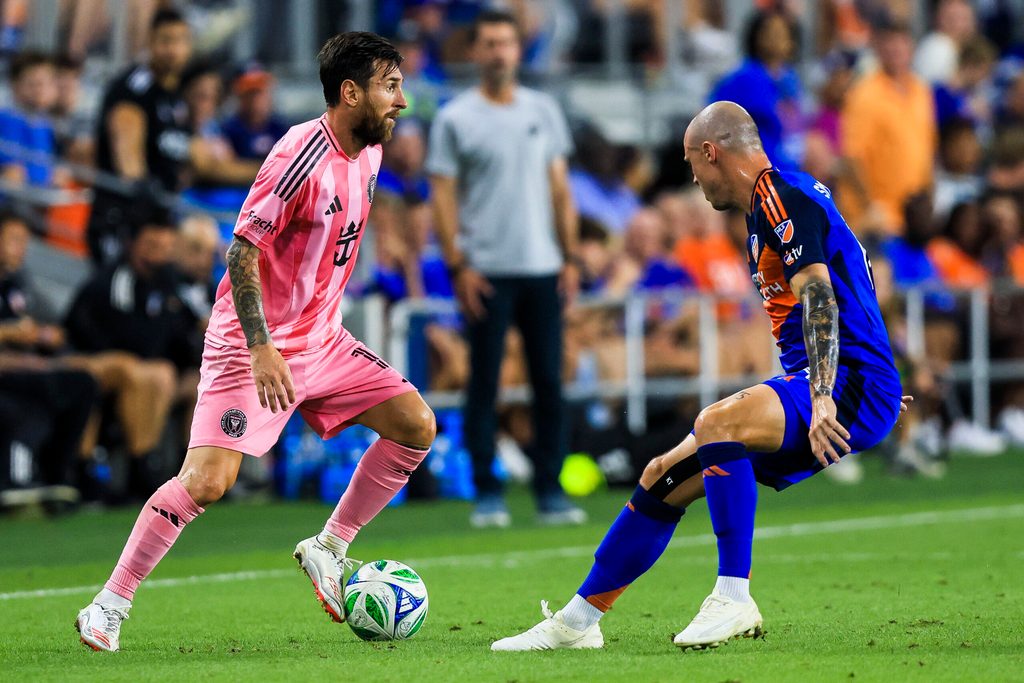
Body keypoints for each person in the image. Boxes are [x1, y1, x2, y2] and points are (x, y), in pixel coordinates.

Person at [491, 102, 911, 652]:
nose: (694, 179)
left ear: (711, 152)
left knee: (718, 422)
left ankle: (734, 595)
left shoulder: (779, 196)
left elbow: (819, 294)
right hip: (850, 381)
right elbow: (857, 274)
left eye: (692, 165)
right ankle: (576, 623)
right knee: (660, 476)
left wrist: (832, 393)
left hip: (840, 384)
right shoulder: (778, 204)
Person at [75, 31, 435, 654]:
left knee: (415, 424)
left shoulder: (372, 151)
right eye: (390, 86)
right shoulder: (300, 154)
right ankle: (109, 603)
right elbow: (242, 251)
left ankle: (329, 548)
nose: (401, 101)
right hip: (253, 345)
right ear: (350, 93)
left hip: (323, 341)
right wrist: (262, 346)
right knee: (208, 481)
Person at [427, 9, 583, 528]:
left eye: (506, 43)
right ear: (475, 52)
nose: (498, 52)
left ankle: (549, 489)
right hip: (486, 269)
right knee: (484, 384)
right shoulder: (456, 117)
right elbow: (443, 195)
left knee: (548, 382)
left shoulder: (543, 109)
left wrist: (571, 257)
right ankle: (487, 490)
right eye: (489, 43)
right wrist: (457, 264)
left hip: (542, 266)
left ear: (519, 50)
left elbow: (560, 190)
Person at [88, 8, 192, 266]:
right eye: (166, 40)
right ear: (150, 42)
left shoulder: (176, 96)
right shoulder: (134, 88)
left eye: (180, 41)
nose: (173, 49)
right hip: (123, 219)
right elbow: (127, 146)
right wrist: (138, 181)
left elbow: (196, 156)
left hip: (158, 222)